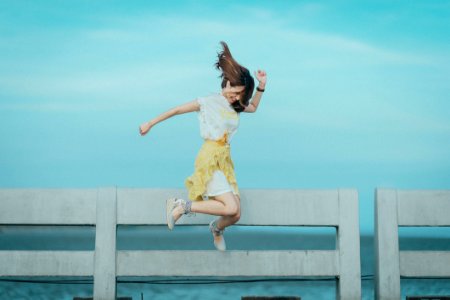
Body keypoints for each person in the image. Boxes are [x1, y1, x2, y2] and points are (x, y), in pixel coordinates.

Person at [139, 41, 267, 251]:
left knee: (236, 213)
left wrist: (262, 85)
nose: (236, 97)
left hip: (225, 160)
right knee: (231, 206)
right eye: (235, 92)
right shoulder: (208, 102)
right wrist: (151, 123)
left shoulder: (235, 105)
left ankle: (216, 229)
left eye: (240, 94)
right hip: (210, 158)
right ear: (227, 83)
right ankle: (182, 206)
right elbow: (178, 110)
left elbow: (252, 106)